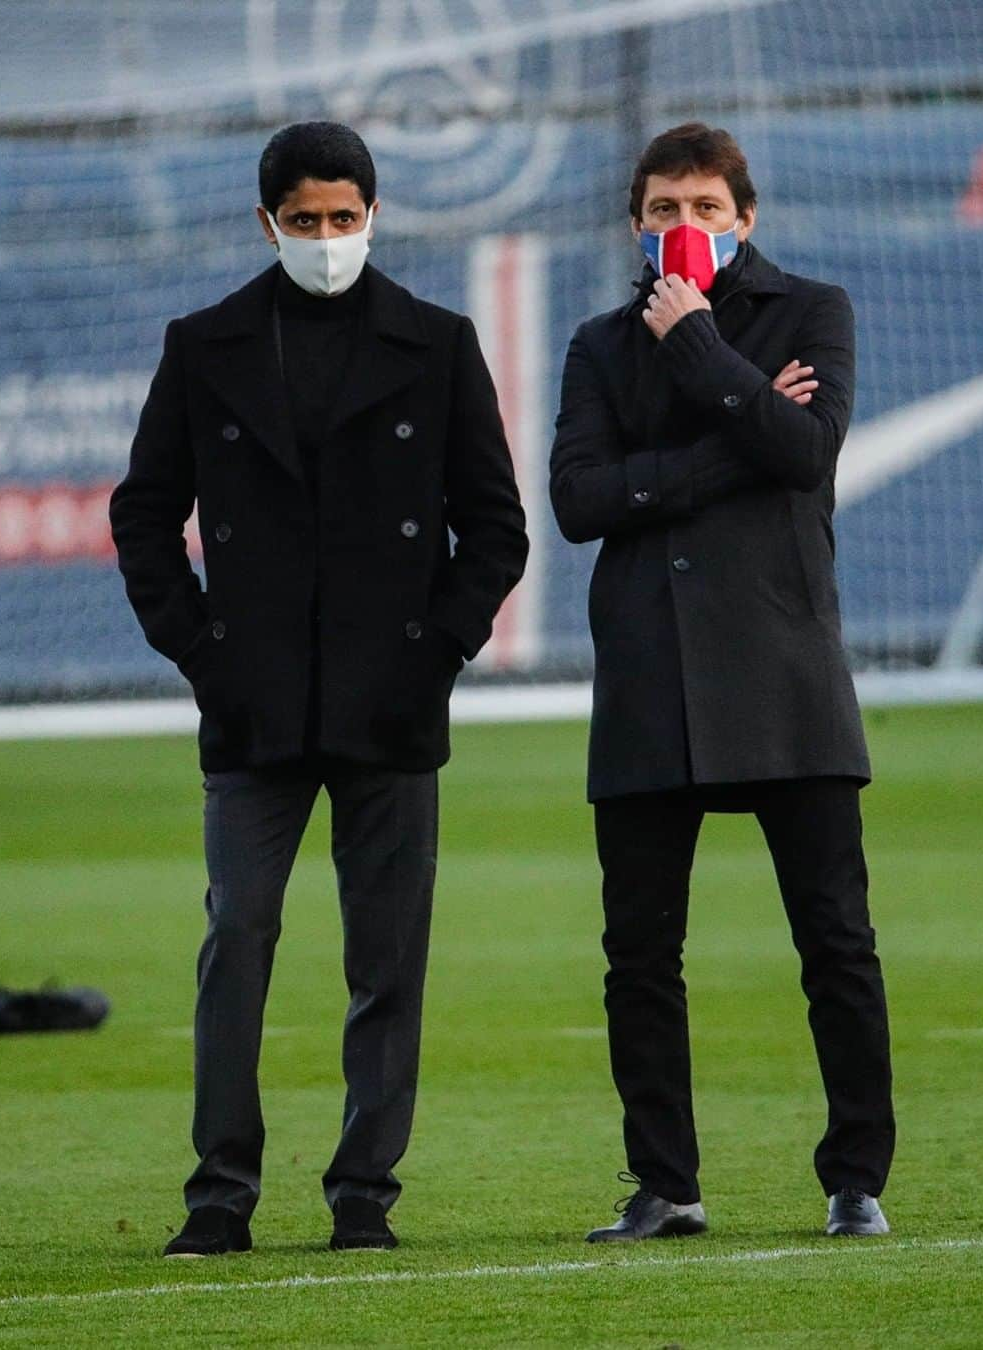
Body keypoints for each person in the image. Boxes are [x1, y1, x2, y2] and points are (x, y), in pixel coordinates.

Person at [111, 121, 528, 1257]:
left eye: (347, 219)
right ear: (267, 223)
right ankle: (219, 1194)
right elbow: (143, 517)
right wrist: (203, 654)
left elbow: (494, 528)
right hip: (251, 708)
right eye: (307, 221)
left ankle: (363, 1196)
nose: (329, 239)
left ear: (375, 216)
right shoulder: (204, 347)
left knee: (387, 960)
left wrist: (433, 653)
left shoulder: (437, 345)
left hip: (392, 706)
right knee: (236, 938)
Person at [549, 122, 894, 1241]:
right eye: (662, 210)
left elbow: (808, 454)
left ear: (746, 217)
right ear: (634, 224)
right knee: (640, 952)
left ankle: (855, 1180)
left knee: (834, 939)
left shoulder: (816, 310)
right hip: (650, 673)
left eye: (705, 208)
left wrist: (699, 345)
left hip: (785, 666)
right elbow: (578, 502)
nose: (684, 227)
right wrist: (730, 441)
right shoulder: (600, 345)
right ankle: (666, 1183)